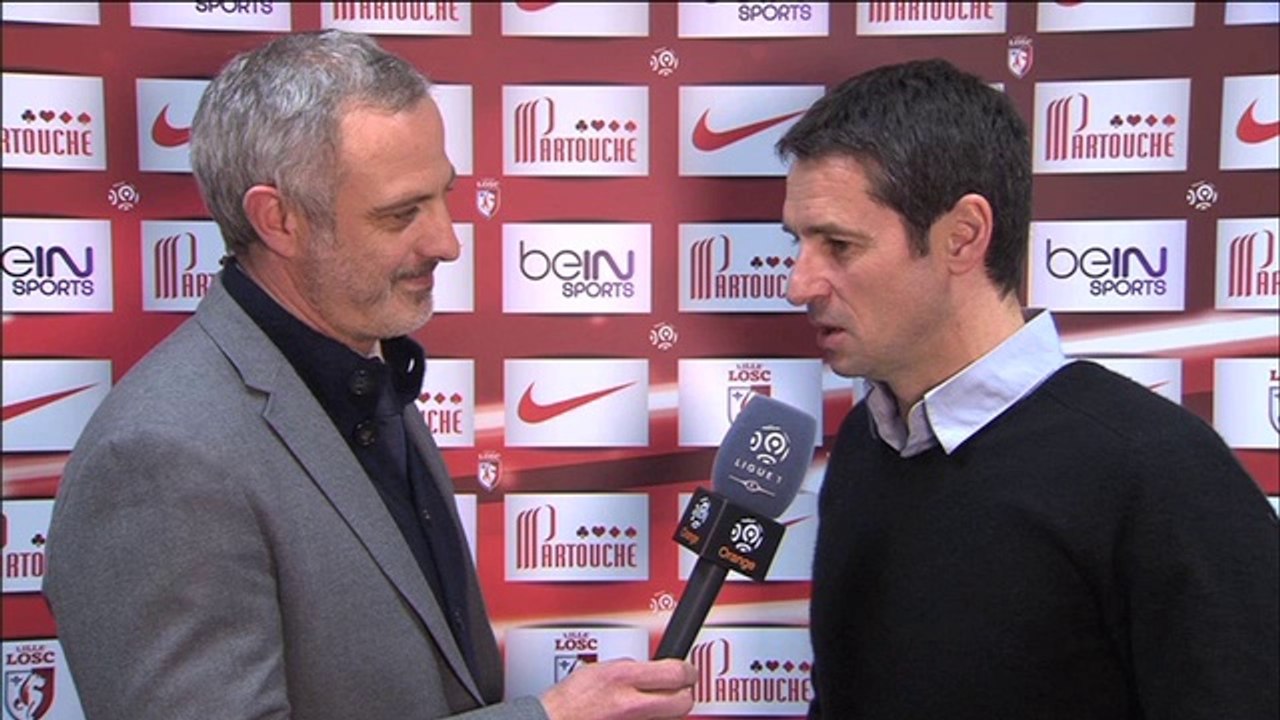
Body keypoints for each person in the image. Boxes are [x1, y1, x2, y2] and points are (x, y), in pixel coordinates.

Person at [43, 30, 695, 720]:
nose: (446, 241)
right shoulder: (159, 458)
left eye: (443, 195)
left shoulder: (365, 370)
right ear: (279, 220)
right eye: (400, 213)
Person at [778, 58, 1279, 719]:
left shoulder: (1156, 471)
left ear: (962, 237)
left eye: (838, 245)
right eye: (798, 242)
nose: (798, 284)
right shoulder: (867, 447)